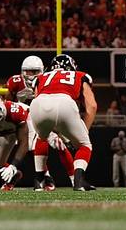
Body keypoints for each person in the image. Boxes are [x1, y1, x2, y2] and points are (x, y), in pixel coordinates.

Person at [29, 54, 97, 192]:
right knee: (85, 145)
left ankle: (39, 180)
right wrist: (85, 130)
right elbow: (92, 106)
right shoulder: (80, 75)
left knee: (41, 137)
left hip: (37, 104)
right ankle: (78, 181)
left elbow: (40, 99)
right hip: (65, 102)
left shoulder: (41, 77)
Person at [6, 56, 75, 184]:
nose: (31, 75)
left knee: (59, 144)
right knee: (30, 147)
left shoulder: (46, 80)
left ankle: (73, 178)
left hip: (44, 118)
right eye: (28, 71)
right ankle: (45, 177)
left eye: (34, 71)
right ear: (22, 71)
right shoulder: (15, 82)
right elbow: (8, 104)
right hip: (24, 121)